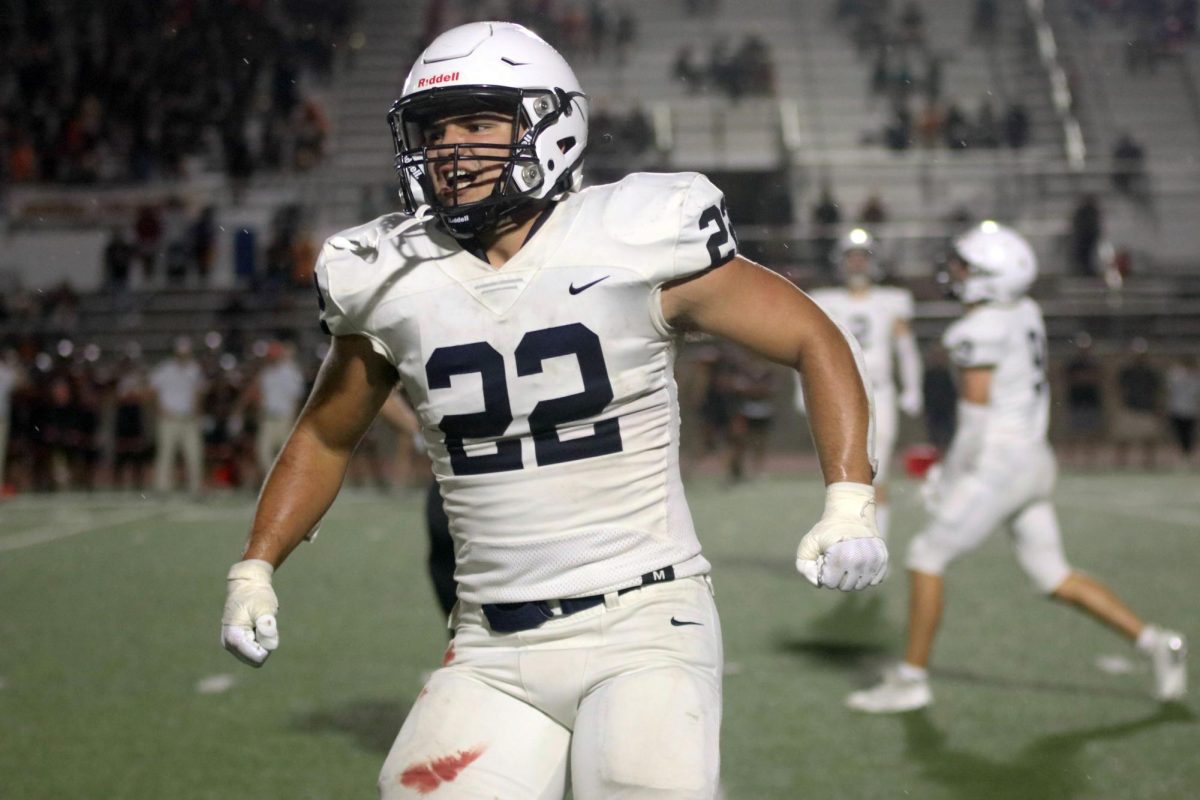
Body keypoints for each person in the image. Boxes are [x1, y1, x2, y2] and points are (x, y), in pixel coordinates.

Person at [219, 22, 888, 800]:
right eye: (435, 131)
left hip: (644, 622)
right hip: (489, 642)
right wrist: (256, 565)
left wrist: (849, 499)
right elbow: (326, 436)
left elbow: (815, 336)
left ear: (550, 124)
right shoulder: (387, 275)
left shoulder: (633, 237)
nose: (450, 150)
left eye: (476, 124)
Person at [845, 222, 1187, 714]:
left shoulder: (976, 329)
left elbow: (976, 420)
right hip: (1034, 458)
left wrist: (948, 476)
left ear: (989, 278)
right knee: (1052, 575)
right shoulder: (1024, 310)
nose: (955, 272)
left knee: (925, 555)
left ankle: (911, 680)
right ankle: (1157, 642)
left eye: (965, 266)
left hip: (998, 464)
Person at [797, 229, 922, 541]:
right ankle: (850, 542)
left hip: (879, 392)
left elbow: (906, 349)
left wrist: (912, 387)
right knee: (844, 478)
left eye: (862, 257)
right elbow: (806, 346)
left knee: (877, 475)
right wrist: (803, 390)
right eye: (850, 257)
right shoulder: (826, 300)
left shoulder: (891, 301)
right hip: (839, 392)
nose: (856, 264)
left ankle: (878, 546)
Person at [150, 336, 206, 494]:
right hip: (169, 418)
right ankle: (162, 488)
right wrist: (159, 408)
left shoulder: (194, 369)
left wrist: (197, 411)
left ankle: (195, 487)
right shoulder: (164, 369)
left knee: (194, 454)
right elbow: (153, 390)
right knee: (166, 454)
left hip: (188, 419)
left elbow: (199, 391)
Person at [248, 340, 307, 481]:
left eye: (274, 355)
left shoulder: (291, 372)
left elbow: (296, 398)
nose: (271, 358)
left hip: (284, 419)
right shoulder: (266, 374)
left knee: (288, 456)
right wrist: (260, 414)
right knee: (262, 452)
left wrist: (295, 419)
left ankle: (295, 484)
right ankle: (274, 481)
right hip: (268, 419)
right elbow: (261, 396)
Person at [1166, 356, 1199, 466]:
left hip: (1191, 412)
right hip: (1177, 410)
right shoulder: (1176, 375)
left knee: (1189, 437)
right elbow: (1169, 390)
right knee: (1178, 436)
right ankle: (1178, 459)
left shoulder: (1196, 377)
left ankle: (1188, 458)